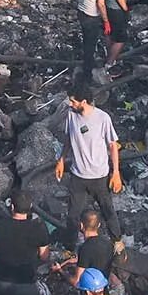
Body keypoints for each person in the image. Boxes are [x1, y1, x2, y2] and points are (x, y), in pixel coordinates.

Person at [59, 88, 120, 232]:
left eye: (73, 101)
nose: (70, 104)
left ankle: (117, 242)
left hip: (99, 176)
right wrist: (61, 160)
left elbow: (112, 145)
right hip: (78, 176)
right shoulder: (71, 115)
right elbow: (68, 139)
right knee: (73, 216)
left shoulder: (102, 118)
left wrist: (116, 172)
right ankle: (70, 248)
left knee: (108, 211)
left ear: (84, 102)